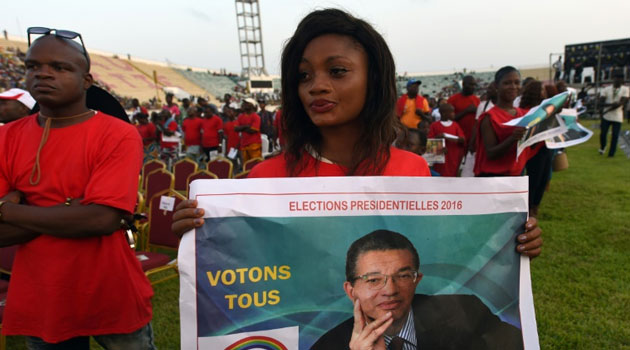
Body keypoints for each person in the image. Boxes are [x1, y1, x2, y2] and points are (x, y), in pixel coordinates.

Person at [172, 10, 541, 259]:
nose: (316, 86)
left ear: (374, 79)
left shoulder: (412, 170)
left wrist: (507, 242)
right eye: (303, 76)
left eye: (336, 71)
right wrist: (204, 234)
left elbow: (442, 256)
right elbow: (249, 269)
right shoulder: (264, 179)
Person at [0, 30, 153, 348]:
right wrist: (71, 210)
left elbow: (101, 220)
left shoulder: (118, 135)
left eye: (59, 67)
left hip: (108, 285)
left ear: (86, 80)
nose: (42, 73)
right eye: (33, 66)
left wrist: (10, 208)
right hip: (42, 291)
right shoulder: (6, 138)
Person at [312, 230, 523, 350]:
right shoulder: (327, 347)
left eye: (403, 276)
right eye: (374, 280)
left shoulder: (465, 311)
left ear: (417, 280)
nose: (390, 290)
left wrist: (521, 244)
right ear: (351, 291)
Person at [474, 66, 530, 177]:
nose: (513, 87)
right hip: (494, 178)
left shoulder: (524, 115)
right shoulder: (489, 117)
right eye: (507, 83)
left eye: (517, 82)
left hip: (517, 174)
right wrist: (512, 138)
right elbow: (490, 153)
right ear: (496, 86)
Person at [520, 81, 551, 218]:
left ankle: (535, 206)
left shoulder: (546, 109)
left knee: (543, 179)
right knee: (533, 180)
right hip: (533, 150)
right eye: (542, 89)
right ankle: (529, 208)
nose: (544, 92)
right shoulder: (527, 111)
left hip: (546, 147)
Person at [428, 103, 466, 177]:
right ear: (444, 113)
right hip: (440, 157)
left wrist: (446, 137)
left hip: (453, 155)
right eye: (452, 112)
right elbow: (430, 142)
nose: (454, 114)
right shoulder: (434, 125)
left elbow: (462, 140)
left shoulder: (455, 125)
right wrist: (439, 144)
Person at [599, 72, 629, 157]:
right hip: (606, 116)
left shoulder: (625, 89)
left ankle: (611, 154)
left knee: (615, 135)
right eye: (615, 79)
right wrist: (612, 105)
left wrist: (609, 106)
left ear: (622, 80)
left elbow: (622, 103)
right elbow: (600, 102)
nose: (617, 81)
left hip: (617, 116)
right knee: (603, 133)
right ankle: (603, 147)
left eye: (619, 79)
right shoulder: (606, 89)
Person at [448, 75, 479, 145]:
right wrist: (466, 111)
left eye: (474, 85)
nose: (473, 87)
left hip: (473, 139)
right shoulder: (453, 100)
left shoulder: (477, 100)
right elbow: (449, 120)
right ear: (463, 84)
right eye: (471, 85)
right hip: (458, 138)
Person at [235, 98, 262, 164]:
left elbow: (252, 130)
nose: (244, 104)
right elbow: (236, 129)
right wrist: (246, 126)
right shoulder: (240, 116)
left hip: (254, 145)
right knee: (246, 165)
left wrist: (242, 128)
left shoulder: (256, 117)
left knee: (255, 164)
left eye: (246, 103)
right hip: (244, 145)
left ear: (251, 105)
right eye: (244, 103)